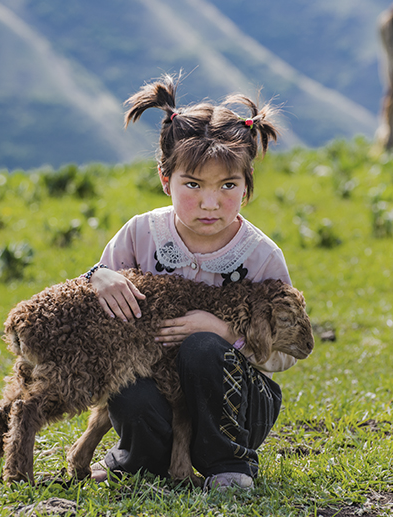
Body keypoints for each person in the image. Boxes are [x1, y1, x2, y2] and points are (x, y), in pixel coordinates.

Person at [83, 74, 302, 491]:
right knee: (130, 385)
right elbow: (91, 296)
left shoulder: (261, 256)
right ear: (166, 179)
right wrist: (99, 277)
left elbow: (287, 351)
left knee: (203, 348)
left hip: (240, 408)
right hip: (159, 399)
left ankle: (227, 464)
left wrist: (226, 333)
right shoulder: (140, 235)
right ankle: (139, 459)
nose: (209, 202)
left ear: (247, 185)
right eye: (193, 184)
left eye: (228, 185)